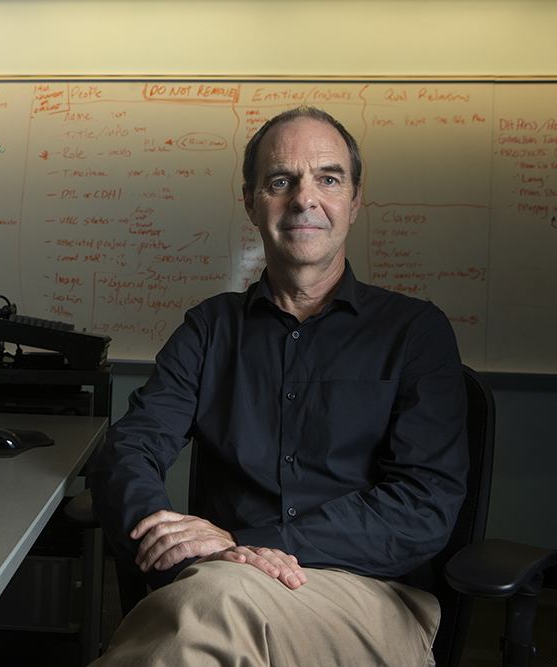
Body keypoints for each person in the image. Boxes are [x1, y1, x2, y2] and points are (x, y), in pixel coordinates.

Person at [88, 105, 468, 666]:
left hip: (370, 596)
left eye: (328, 178)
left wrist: (242, 545)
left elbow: (423, 508)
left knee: (211, 607)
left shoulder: (416, 331)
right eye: (280, 181)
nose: (304, 199)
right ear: (251, 201)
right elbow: (128, 450)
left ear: (355, 200)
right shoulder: (211, 328)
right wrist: (176, 546)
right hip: (216, 581)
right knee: (213, 606)